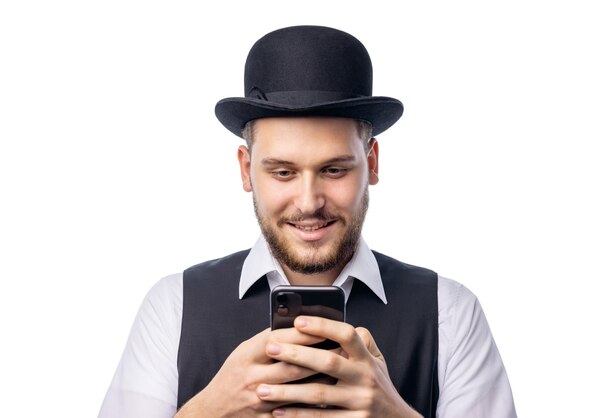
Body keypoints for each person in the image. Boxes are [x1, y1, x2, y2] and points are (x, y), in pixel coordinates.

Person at [99, 25, 516, 418]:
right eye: (283, 172)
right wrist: (209, 410)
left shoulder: (450, 312)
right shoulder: (173, 306)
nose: (309, 201)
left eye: (334, 170)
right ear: (246, 171)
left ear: (371, 162)